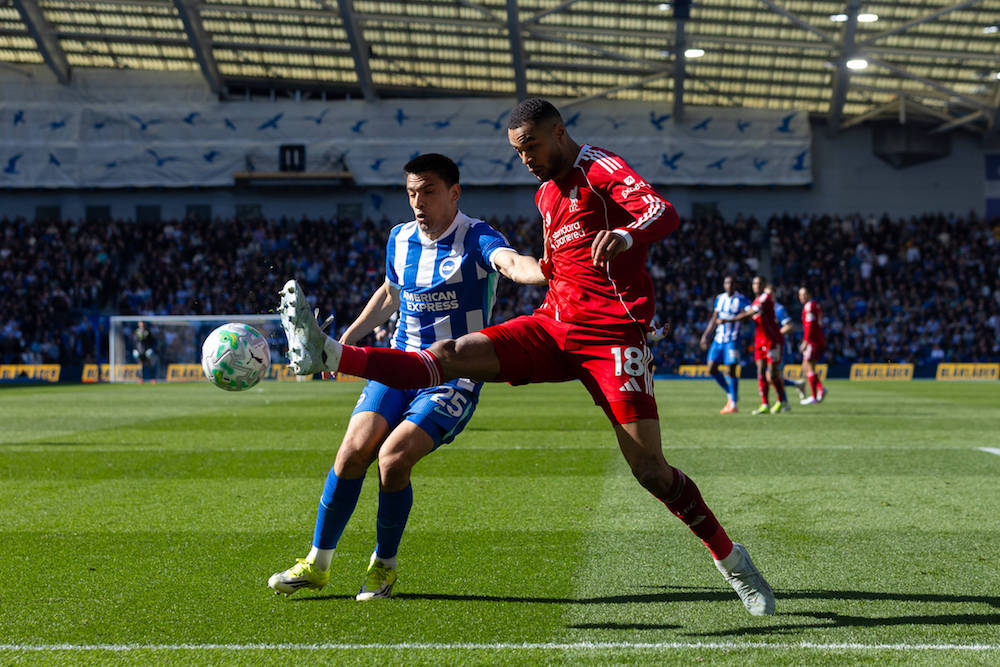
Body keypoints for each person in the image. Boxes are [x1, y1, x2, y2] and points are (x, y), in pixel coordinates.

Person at [279, 98, 775, 616]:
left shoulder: (599, 168)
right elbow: (555, 268)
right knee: (445, 354)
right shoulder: (544, 196)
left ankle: (731, 560)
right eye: (518, 152)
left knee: (650, 471)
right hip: (552, 325)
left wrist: (627, 234)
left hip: (612, 340)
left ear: (558, 133)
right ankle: (332, 352)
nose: (526, 160)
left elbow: (660, 210)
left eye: (531, 147)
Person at [267, 153, 547, 600]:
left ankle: (384, 565)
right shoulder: (399, 238)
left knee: (393, 459)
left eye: (429, 192)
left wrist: (543, 271)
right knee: (353, 452)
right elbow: (390, 295)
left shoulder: (476, 236)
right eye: (412, 192)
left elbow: (511, 263)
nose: (418, 202)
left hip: (454, 375)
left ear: (454, 193)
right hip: (399, 364)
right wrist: (345, 338)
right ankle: (317, 564)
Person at [722, 277, 789, 415]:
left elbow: (750, 313)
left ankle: (782, 400)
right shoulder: (756, 301)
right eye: (754, 283)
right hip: (760, 342)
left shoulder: (765, 298)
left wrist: (728, 319)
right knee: (761, 371)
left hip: (772, 341)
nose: (756, 286)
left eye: (759, 283)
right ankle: (765, 404)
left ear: (763, 285)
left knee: (772, 374)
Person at [699, 276, 751, 414]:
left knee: (731, 369)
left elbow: (750, 313)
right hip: (718, 339)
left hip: (733, 340)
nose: (729, 285)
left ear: (735, 285)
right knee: (711, 368)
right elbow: (714, 318)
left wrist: (729, 320)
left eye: (732, 283)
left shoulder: (741, 299)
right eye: (727, 283)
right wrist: (705, 336)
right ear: (724, 284)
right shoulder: (720, 298)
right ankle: (731, 393)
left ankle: (733, 404)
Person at [798, 286, 827, 404]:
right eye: (800, 295)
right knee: (806, 366)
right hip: (817, 340)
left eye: (804, 294)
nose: (802, 297)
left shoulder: (809, 306)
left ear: (809, 294)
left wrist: (805, 341)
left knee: (809, 366)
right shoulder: (814, 305)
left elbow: (810, 325)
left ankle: (814, 396)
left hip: (812, 341)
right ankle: (820, 388)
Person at [775, 299, 808, 401]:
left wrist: (775, 335)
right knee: (771, 376)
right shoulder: (760, 307)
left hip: (779, 347)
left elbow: (790, 326)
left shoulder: (778, 309)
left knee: (773, 375)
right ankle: (797, 385)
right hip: (767, 346)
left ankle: (783, 401)